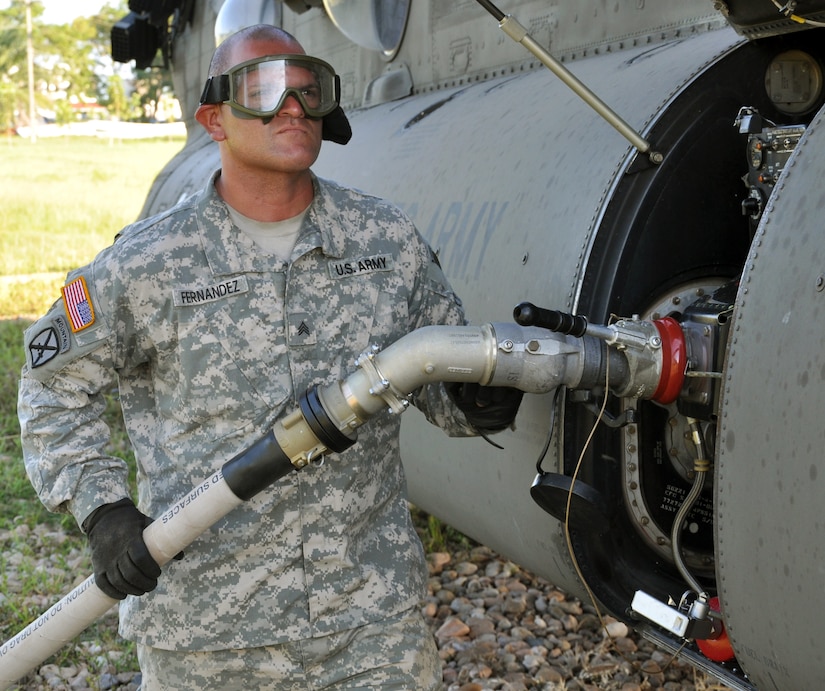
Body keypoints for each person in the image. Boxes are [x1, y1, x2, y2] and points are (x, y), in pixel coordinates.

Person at [18, 24, 521, 690]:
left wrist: (477, 399)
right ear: (214, 120)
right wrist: (103, 510)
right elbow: (52, 385)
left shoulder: (384, 240)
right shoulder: (145, 264)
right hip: (206, 633)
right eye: (264, 88)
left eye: (310, 90)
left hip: (368, 625)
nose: (292, 106)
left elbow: (437, 381)